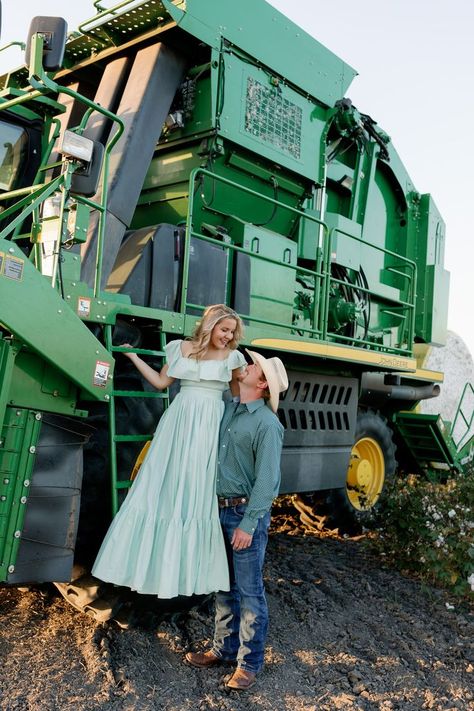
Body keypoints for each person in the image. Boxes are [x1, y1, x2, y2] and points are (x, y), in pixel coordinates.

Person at [92, 304, 246, 598]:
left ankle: (187, 575)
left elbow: (238, 400)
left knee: (196, 492)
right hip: (178, 423)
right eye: (224, 329)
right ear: (210, 325)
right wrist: (133, 357)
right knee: (161, 487)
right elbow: (162, 382)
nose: (228, 336)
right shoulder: (180, 348)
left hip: (210, 425)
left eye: (232, 332)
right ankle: (146, 569)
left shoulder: (234, 358)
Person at [185, 349, 288, 690]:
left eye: (253, 366)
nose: (246, 365)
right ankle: (222, 650)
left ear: (262, 383)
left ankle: (249, 664)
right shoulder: (228, 408)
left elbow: (267, 482)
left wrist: (248, 524)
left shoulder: (267, 424)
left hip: (245, 514)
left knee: (249, 593)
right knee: (223, 588)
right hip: (217, 509)